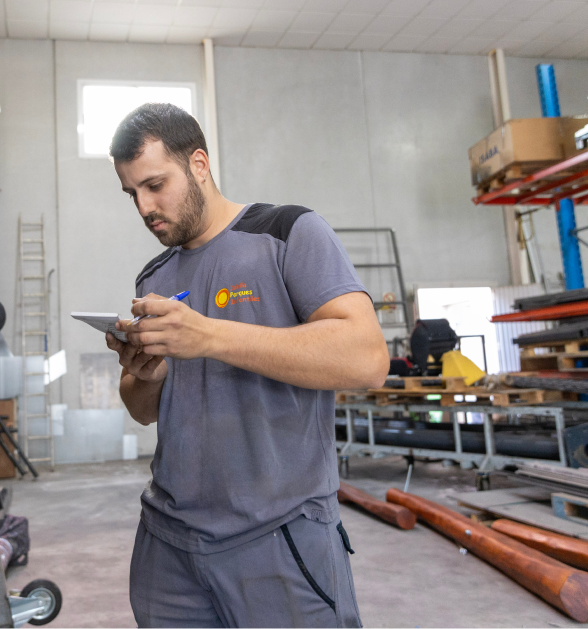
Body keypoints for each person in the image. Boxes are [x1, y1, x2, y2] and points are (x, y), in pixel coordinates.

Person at [105, 102, 390, 629]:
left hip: (278, 537)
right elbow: (142, 409)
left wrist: (209, 335)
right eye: (132, 194)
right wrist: (147, 375)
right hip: (168, 544)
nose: (145, 207)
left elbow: (367, 357)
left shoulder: (287, 233)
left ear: (198, 164)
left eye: (155, 184)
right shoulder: (155, 276)